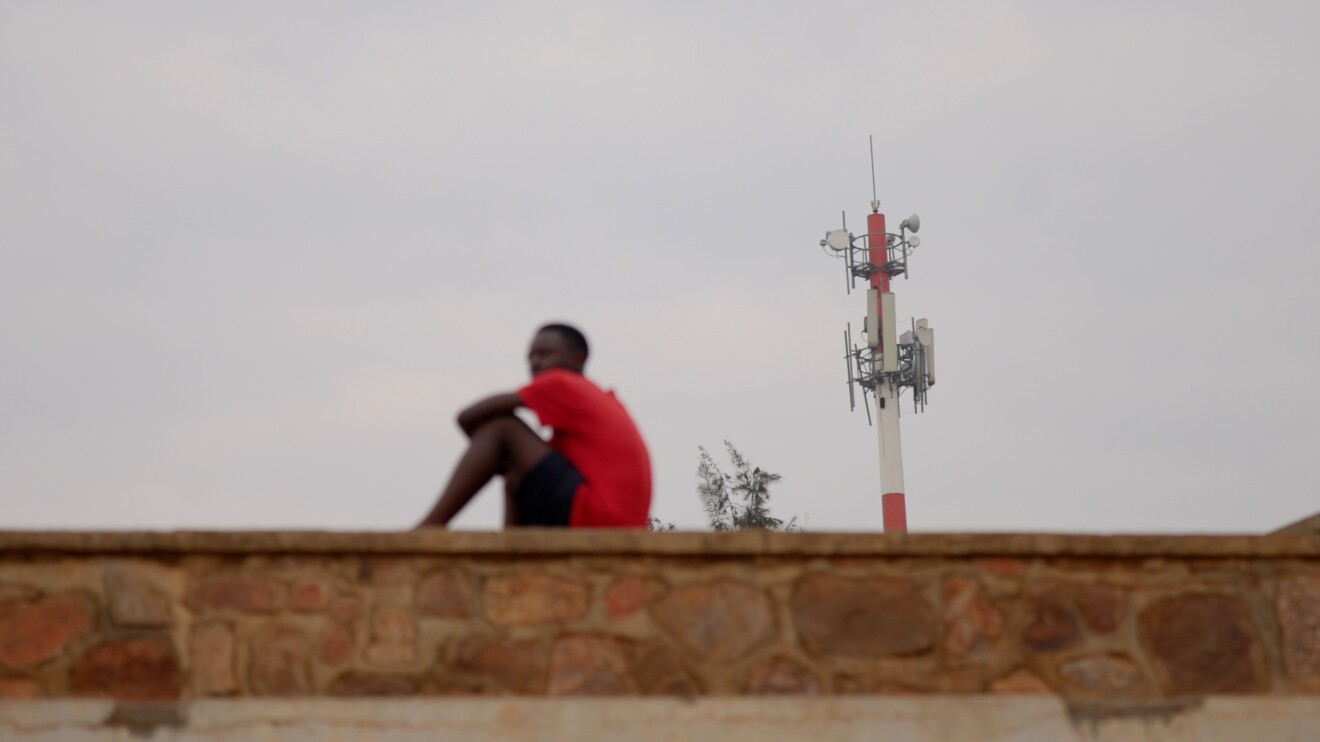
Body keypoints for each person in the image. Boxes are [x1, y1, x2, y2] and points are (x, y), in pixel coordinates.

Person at [417, 324, 651, 528]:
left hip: (598, 515)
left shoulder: (562, 383)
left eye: (545, 354)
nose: (535, 363)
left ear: (577, 359)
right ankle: (511, 558)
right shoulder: (596, 398)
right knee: (516, 473)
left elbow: (467, 416)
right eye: (530, 358)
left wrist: (490, 449)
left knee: (502, 426)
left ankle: (428, 528)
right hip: (619, 520)